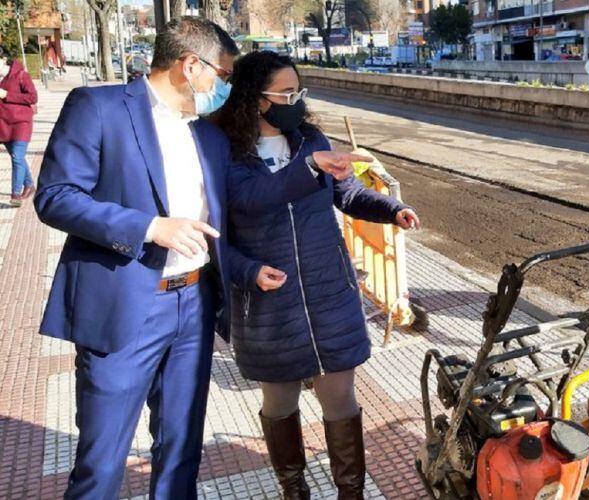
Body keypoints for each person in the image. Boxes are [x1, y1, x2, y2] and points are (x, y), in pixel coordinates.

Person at [34, 18, 358, 499]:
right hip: (123, 308)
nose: (226, 87)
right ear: (191, 65)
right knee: (102, 460)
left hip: (194, 306)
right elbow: (55, 197)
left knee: (182, 448)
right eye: (223, 75)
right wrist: (149, 227)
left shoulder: (209, 136)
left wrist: (312, 170)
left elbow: (241, 209)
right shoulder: (98, 108)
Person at [212, 51, 420, 499]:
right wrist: (246, 271)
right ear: (255, 98)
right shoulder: (225, 152)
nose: (295, 100)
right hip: (271, 304)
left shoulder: (310, 140)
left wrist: (392, 209)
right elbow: (245, 204)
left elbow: (346, 191)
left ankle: (351, 493)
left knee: (341, 399)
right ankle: (294, 489)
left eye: (298, 91)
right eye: (285, 93)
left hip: (330, 292)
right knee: (280, 401)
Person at [0, 48, 37, 207]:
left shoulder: (21, 75)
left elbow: (32, 97)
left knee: (16, 156)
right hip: (3, 125)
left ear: (3, 59)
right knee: (18, 157)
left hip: (21, 123)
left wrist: (7, 95)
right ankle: (29, 184)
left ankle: (15, 194)